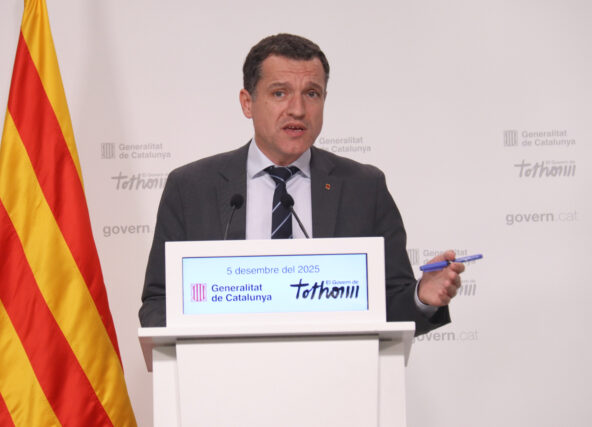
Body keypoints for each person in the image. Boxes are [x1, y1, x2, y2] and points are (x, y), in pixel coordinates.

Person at [139, 33, 464, 335]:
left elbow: (390, 304)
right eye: (279, 93)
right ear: (247, 102)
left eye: (311, 94)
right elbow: (158, 303)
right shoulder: (191, 188)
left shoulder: (364, 188)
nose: (297, 110)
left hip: (335, 373)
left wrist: (421, 296)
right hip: (223, 372)